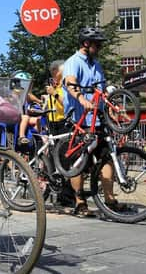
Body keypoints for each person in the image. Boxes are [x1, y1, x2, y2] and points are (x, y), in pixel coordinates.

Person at [63, 27, 120, 217]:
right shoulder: (73, 62)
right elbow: (70, 83)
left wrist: (110, 109)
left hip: (97, 118)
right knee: (79, 161)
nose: (101, 47)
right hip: (79, 118)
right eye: (98, 44)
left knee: (106, 157)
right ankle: (80, 202)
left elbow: (101, 91)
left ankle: (110, 199)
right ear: (86, 44)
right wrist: (81, 99)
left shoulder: (96, 64)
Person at [44, 60, 66, 132]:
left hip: (63, 122)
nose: (51, 71)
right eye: (51, 69)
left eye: (54, 69)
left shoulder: (66, 86)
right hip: (52, 123)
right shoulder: (55, 87)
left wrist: (54, 93)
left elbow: (66, 103)